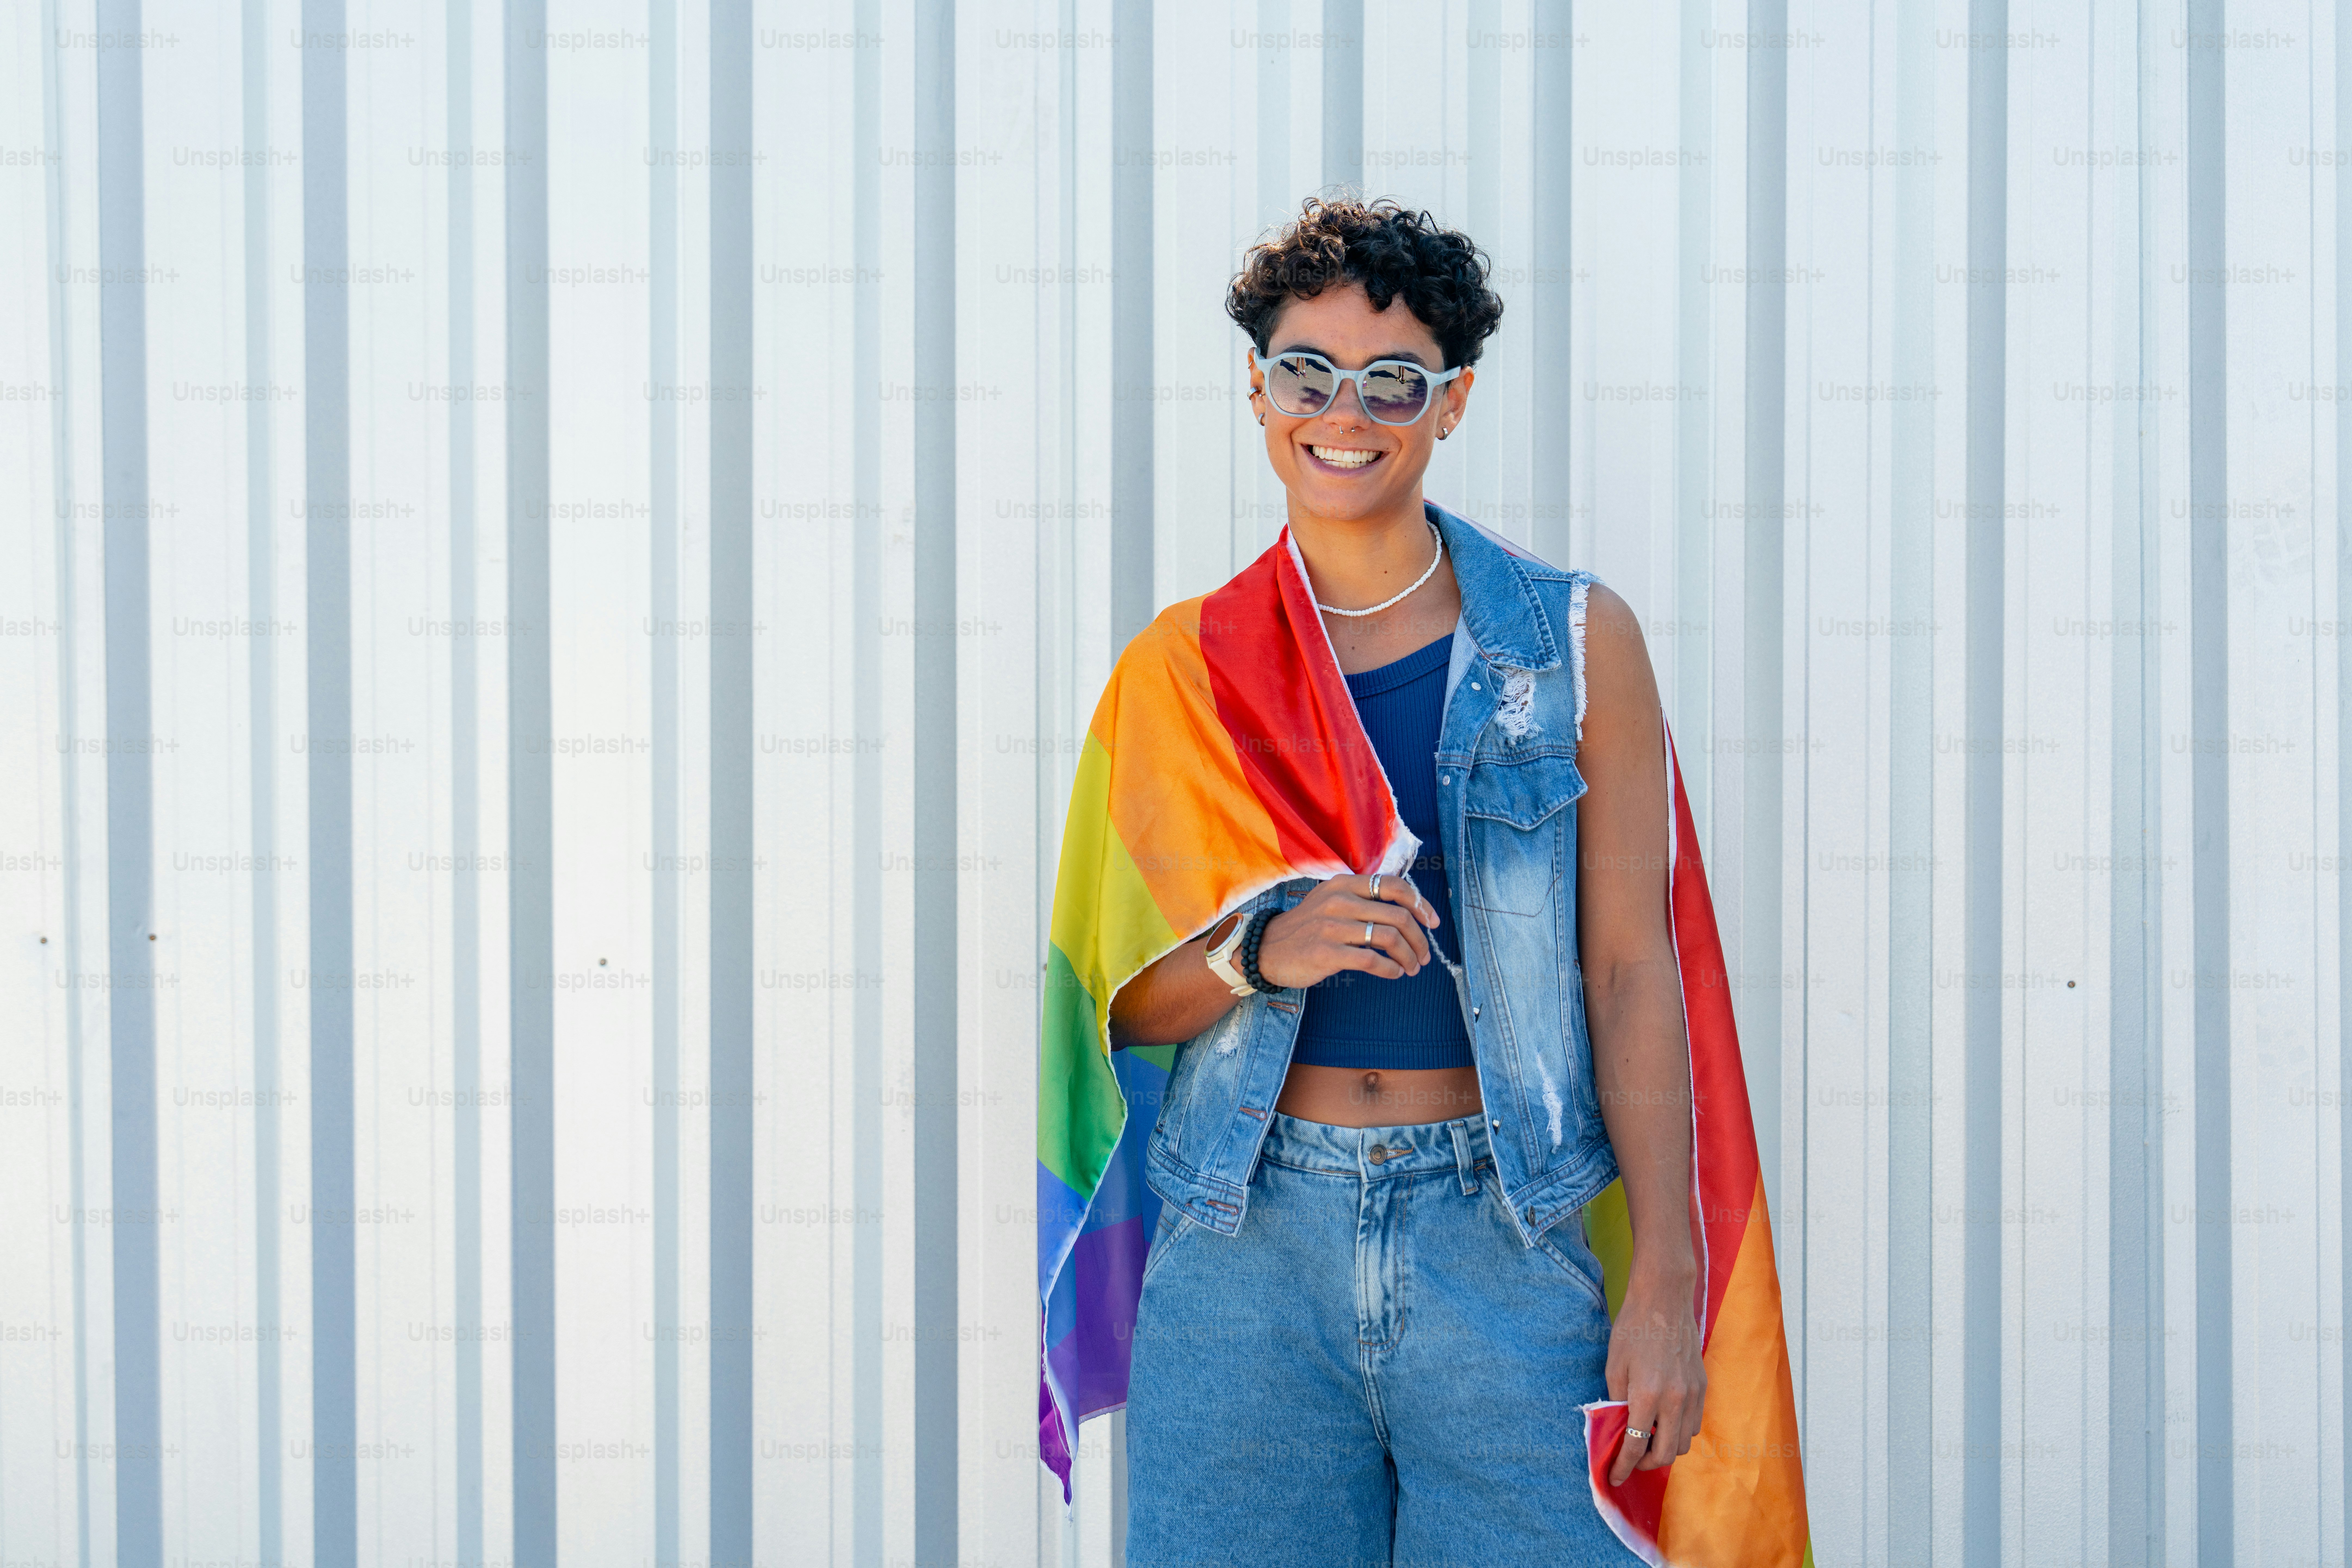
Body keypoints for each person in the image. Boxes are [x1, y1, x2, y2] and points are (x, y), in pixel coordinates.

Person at [1107, 196, 1703, 1565]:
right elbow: (1117, 1001)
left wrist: (1664, 1271)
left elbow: (1628, 968)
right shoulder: (1184, 667)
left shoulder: (1569, 641)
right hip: (1242, 1246)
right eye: (1306, 372)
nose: (1345, 411)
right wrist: (1264, 949)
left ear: (1451, 403)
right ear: (1257, 390)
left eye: (1393, 381)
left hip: (1504, 1230)